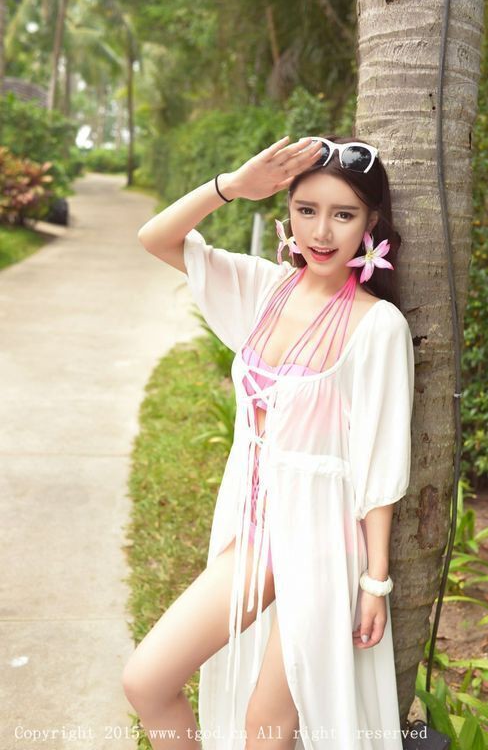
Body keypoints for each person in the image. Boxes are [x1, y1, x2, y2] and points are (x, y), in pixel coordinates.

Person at [122, 135, 415, 750]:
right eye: (306, 210)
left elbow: (380, 464)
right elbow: (156, 237)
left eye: (343, 214)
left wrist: (375, 583)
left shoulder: (378, 325)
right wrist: (232, 186)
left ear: (370, 224)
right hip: (256, 533)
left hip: (325, 543)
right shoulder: (264, 289)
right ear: (287, 212)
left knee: (265, 725)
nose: (321, 232)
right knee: (147, 681)